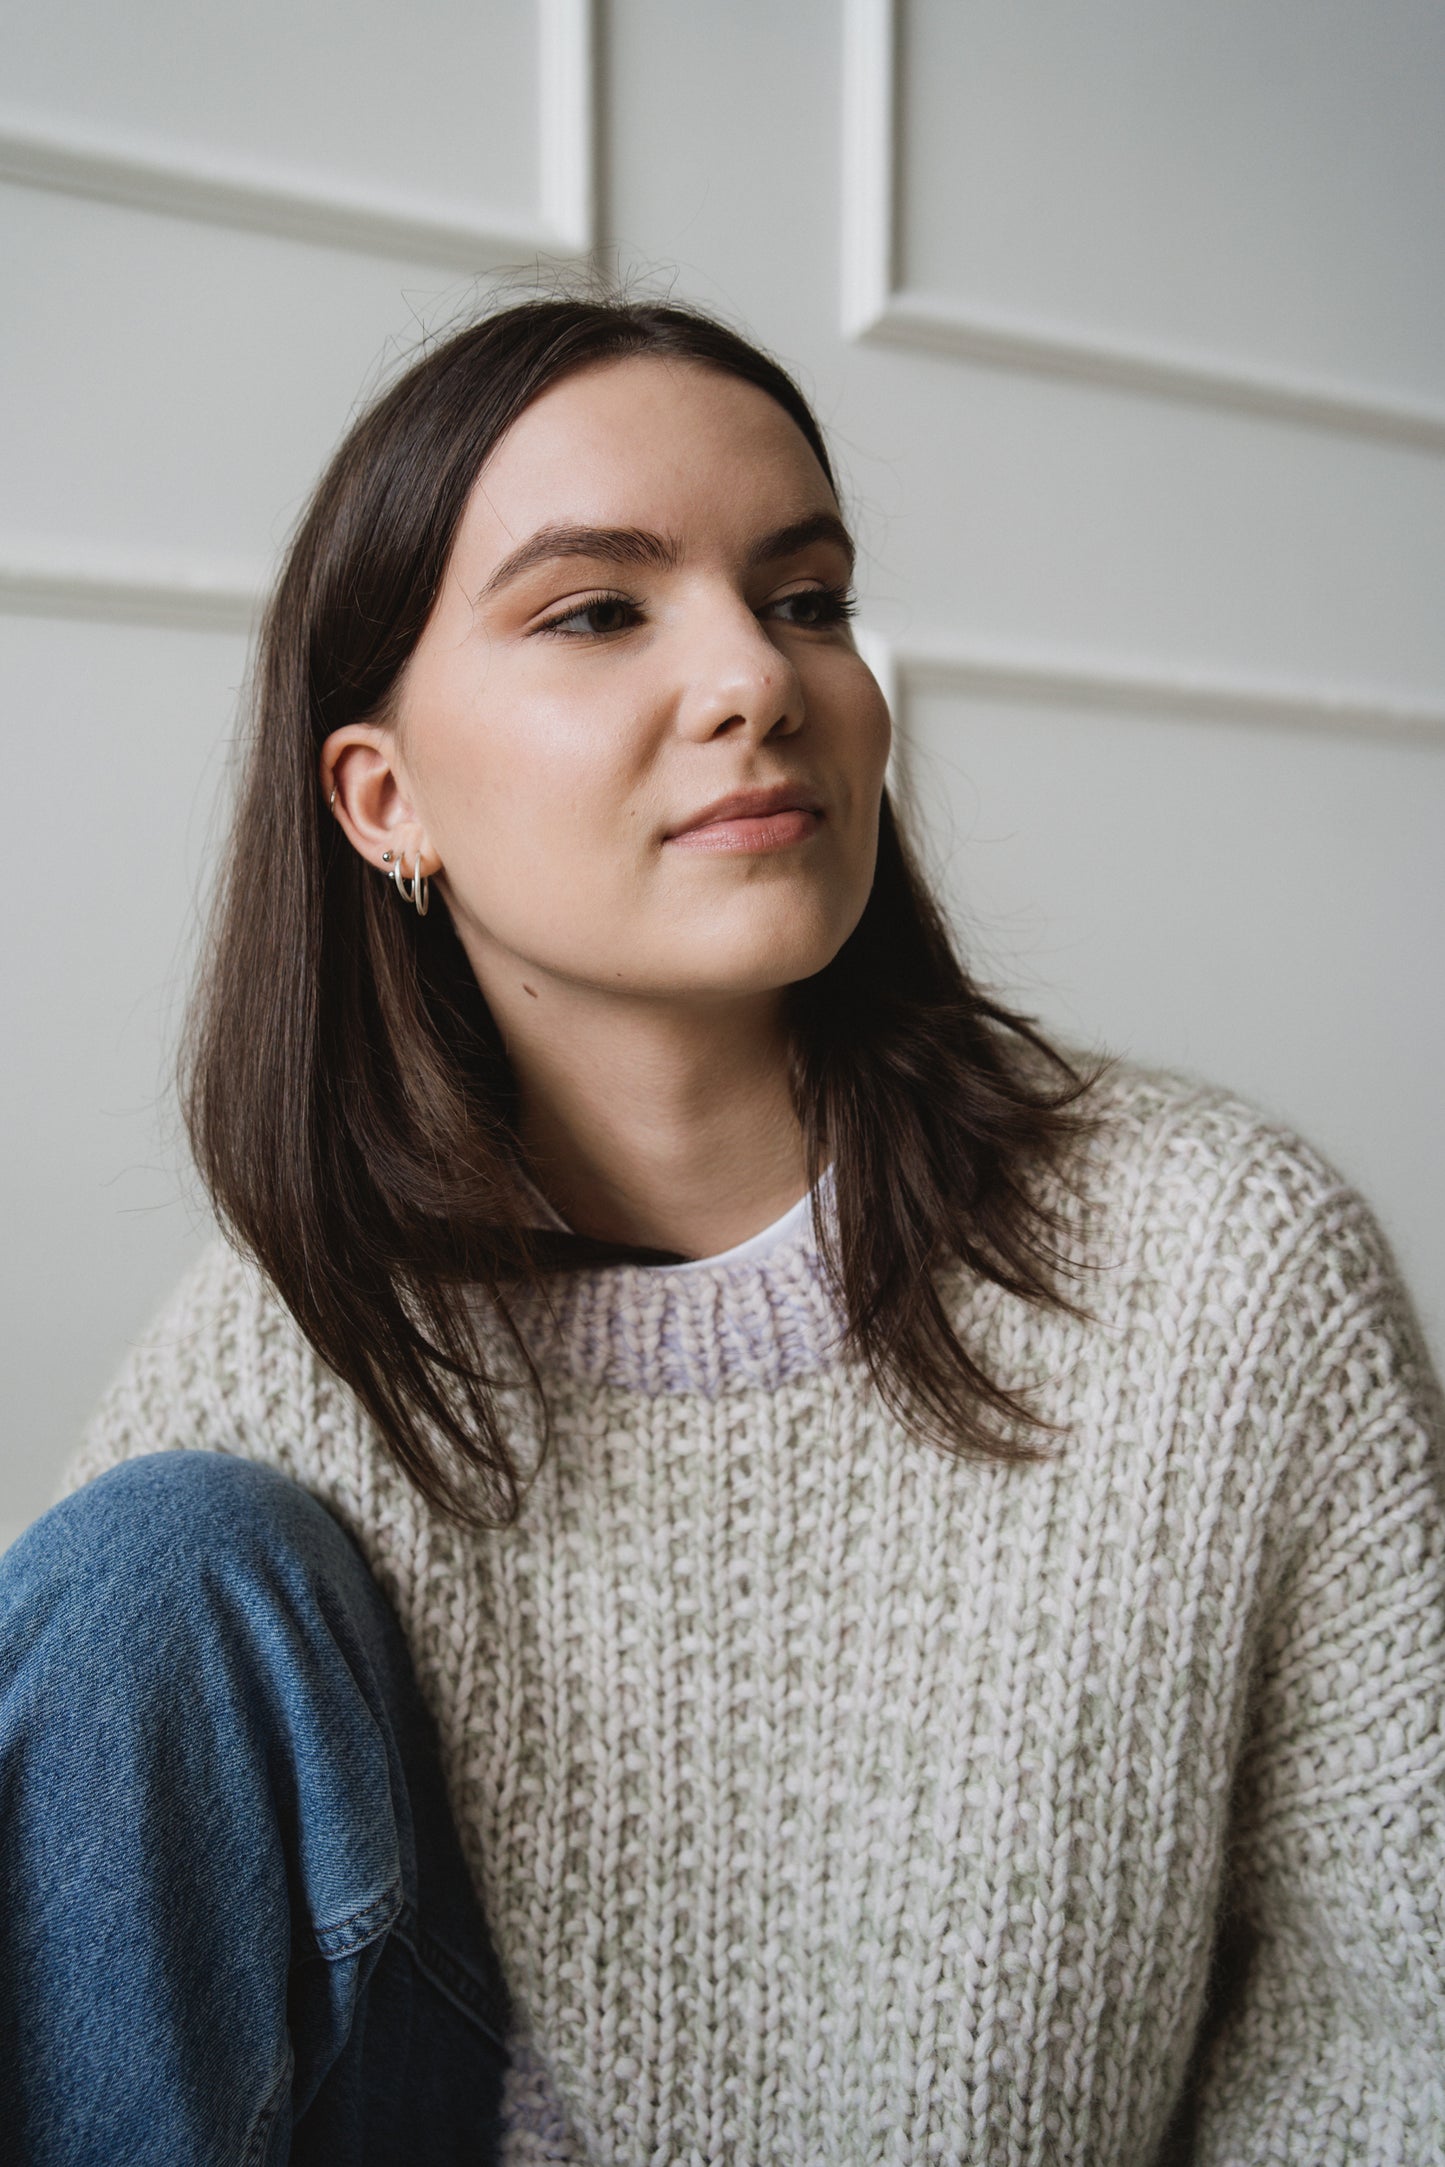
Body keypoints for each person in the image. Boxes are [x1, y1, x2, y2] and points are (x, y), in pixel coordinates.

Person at [2, 296, 1442, 2166]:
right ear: (384, 800)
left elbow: (1385, 2039)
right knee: (150, 1567)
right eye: (599, 609)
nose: (758, 681)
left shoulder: (1220, 1267)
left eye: (808, 599)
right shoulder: (288, 1342)